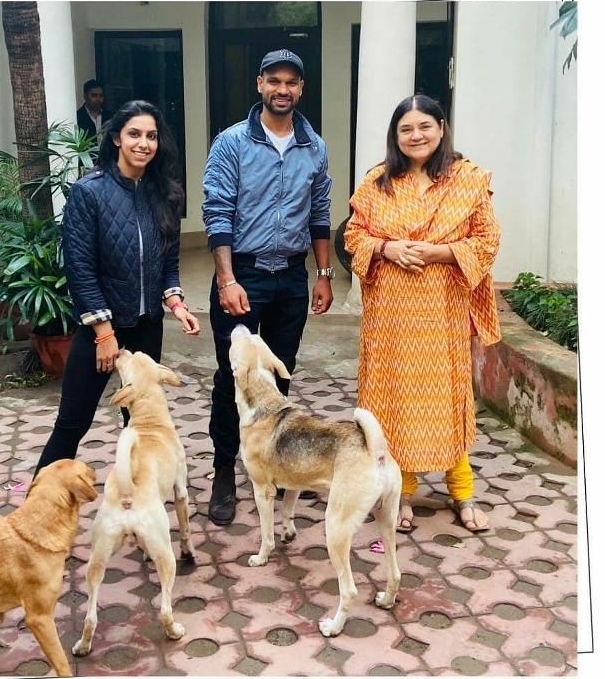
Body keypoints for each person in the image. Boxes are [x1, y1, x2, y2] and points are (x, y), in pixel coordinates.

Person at [343, 94, 501, 534]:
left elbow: (487, 240)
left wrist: (439, 253)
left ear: (441, 128)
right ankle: (402, 493)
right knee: (395, 401)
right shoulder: (377, 182)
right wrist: (387, 247)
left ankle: (462, 491)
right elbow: (353, 237)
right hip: (390, 316)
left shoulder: (467, 179)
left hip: (442, 311)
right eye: (406, 129)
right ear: (395, 136)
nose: (416, 136)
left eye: (425, 126)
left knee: (446, 401)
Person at [201, 49, 334, 525]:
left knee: (280, 376)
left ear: (301, 88)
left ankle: (274, 465)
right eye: (274, 80)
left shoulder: (313, 146)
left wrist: (323, 274)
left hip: (291, 279)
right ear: (260, 84)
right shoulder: (231, 142)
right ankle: (224, 469)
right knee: (232, 377)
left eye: (291, 82)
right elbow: (217, 210)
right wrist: (226, 279)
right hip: (244, 274)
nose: (282, 89)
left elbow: (320, 212)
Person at [35, 99, 200, 474]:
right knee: (73, 422)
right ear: (116, 139)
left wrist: (177, 304)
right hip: (100, 330)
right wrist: (104, 334)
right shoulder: (89, 192)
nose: (144, 143)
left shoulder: (166, 193)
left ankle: (140, 495)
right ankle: (38, 501)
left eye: (151, 136)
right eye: (134, 134)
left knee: (139, 423)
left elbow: (168, 262)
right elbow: (80, 269)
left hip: (147, 327)